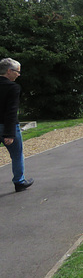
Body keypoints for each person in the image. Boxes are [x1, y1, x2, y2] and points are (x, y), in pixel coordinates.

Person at [0, 58, 34, 192]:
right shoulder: (13, 87)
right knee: (17, 155)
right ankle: (19, 182)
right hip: (8, 126)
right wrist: (9, 134)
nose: (18, 74)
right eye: (17, 72)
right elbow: (11, 110)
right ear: (9, 71)